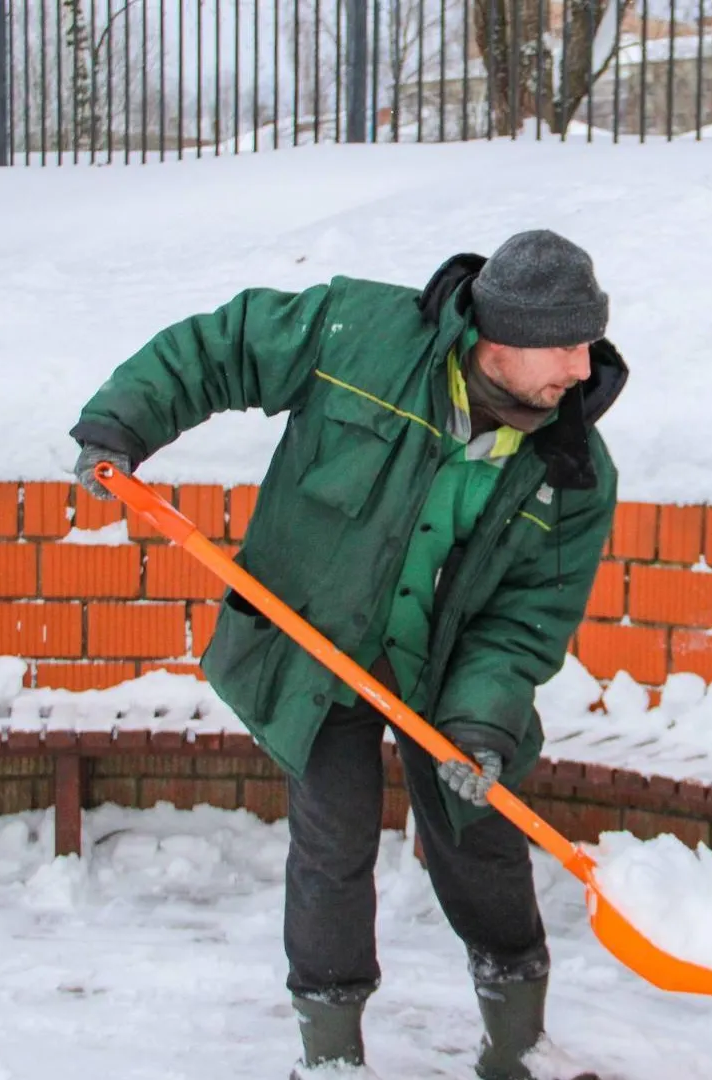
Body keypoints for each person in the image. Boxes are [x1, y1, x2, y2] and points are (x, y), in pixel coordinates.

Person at [69, 230, 625, 1080]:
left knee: (483, 832)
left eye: (590, 343)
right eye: (567, 345)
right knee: (334, 842)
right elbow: (226, 347)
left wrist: (480, 723)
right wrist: (124, 421)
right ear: (501, 338)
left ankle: (519, 1045)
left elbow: (525, 619)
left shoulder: (573, 466)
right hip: (318, 641)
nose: (584, 369)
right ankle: (331, 1058)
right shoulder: (359, 334)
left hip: (443, 672)